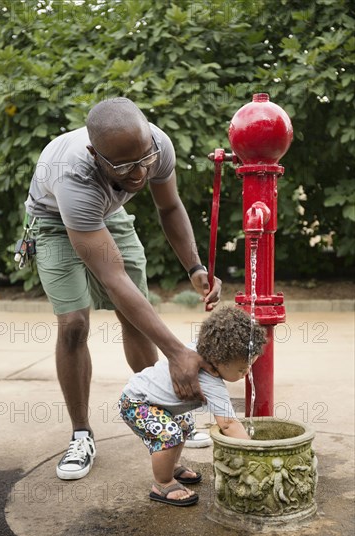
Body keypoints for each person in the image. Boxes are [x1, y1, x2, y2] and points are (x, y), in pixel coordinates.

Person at [24, 97, 222, 480]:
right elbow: (114, 279)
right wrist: (179, 353)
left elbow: (169, 207)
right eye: (123, 166)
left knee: (136, 318)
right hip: (53, 220)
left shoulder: (157, 146)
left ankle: (163, 414)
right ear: (94, 154)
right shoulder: (73, 175)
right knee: (74, 324)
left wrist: (195, 267)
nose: (138, 174)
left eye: (143, 159)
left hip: (109, 216)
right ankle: (81, 433)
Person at [118, 306, 267, 506]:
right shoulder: (211, 380)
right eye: (242, 368)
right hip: (136, 403)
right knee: (169, 434)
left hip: (153, 401)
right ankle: (162, 483)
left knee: (185, 424)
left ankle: (171, 466)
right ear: (218, 360)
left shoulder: (206, 347)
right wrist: (257, 453)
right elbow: (229, 425)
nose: (246, 371)